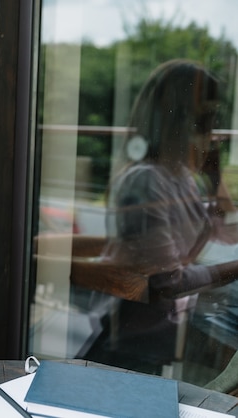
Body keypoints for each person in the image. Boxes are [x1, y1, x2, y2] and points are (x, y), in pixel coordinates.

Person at [94, 59, 238, 369]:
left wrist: (215, 183)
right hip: (139, 340)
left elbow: (223, 233)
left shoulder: (181, 177)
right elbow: (168, 283)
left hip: (172, 320)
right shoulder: (145, 182)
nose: (213, 135)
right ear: (174, 122)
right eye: (205, 122)